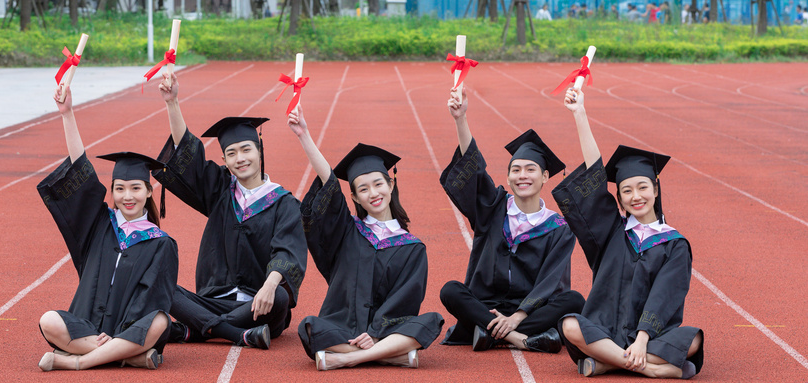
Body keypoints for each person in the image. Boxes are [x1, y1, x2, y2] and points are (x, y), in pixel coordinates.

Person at [554, 87, 704, 379]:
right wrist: (580, 114)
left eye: (642, 187)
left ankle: (608, 363)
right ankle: (652, 370)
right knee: (570, 325)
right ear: (619, 199)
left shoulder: (674, 244)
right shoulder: (612, 231)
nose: (636, 196)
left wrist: (643, 338)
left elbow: (665, 295)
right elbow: (595, 176)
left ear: (656, 189)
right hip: (604, 329)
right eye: (627, 190)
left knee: (693, 339)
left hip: (650, 338)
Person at [151, 74, 307, 350]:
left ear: (259, 151)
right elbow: (190, 157)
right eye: (232, 153)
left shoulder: (284, 203)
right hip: (215, 299)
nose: (240, 159)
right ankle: (234, 333)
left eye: (246, 150)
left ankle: (197, 330)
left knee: (280, 297)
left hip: (259, 304)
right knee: (157, 282)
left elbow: (288, 251)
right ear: (224, 159)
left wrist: (270, 285)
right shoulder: (221, 190)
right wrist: (172, 102)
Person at [288, 106, 444, 371]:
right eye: (363, 189)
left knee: (430, 321)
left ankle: (349, 358)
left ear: (390, 185)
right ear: (355, 197)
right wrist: (304, 135)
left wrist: (374, 333)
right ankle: (390, 355)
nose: (373, 193)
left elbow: (405, 299)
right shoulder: (348, 231)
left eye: (378, 184)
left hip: (386, 330)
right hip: (343, 325)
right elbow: (329, 185)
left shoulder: (412, 248)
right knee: (310, 327)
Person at [37, 85, 179, 371]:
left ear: (149, 191)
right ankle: (127, 356)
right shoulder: (101, 223)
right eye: (120, 188)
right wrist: (67, 114)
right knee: (48, 320)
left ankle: (78, 362)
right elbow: (81, 172)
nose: (128, 196)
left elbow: (152, 298)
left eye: (136, 188)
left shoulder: (161, 243)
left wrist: (122, 332)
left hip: (128, 329)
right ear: (112, 191)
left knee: (160, 321)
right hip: (89, 326)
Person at [438, 88, 585, 353]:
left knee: (574, 300)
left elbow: (551, 281)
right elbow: (475, 170)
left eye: (531, 169)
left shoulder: (559, 229)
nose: (522, 176)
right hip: (486, 304)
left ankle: (489, 332)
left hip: (528, 310)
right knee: (450, 290)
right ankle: (520, 339)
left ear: (545, 177)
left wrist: (517, 316)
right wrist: (460, 119)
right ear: (508, 178)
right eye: (516, 170)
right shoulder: (493, 208)